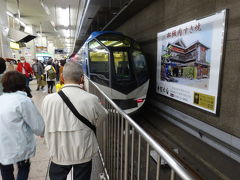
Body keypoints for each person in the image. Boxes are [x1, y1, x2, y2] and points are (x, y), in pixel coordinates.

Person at [42, 62, 107, 180]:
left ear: (62, 77)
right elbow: (103, 114)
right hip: (83, 152)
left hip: (58, 154)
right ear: (82, 79)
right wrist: (93, 125)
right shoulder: (91, 99)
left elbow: (45, 122)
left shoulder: (48, 100)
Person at [0, 71, 45, 180]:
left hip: (2, 146)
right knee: (23, 167)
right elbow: (37, 124)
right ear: (22, 83)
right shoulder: (24, 101)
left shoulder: (1, 99)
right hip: (19, 144)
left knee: (6, 170)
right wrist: (41, 132)